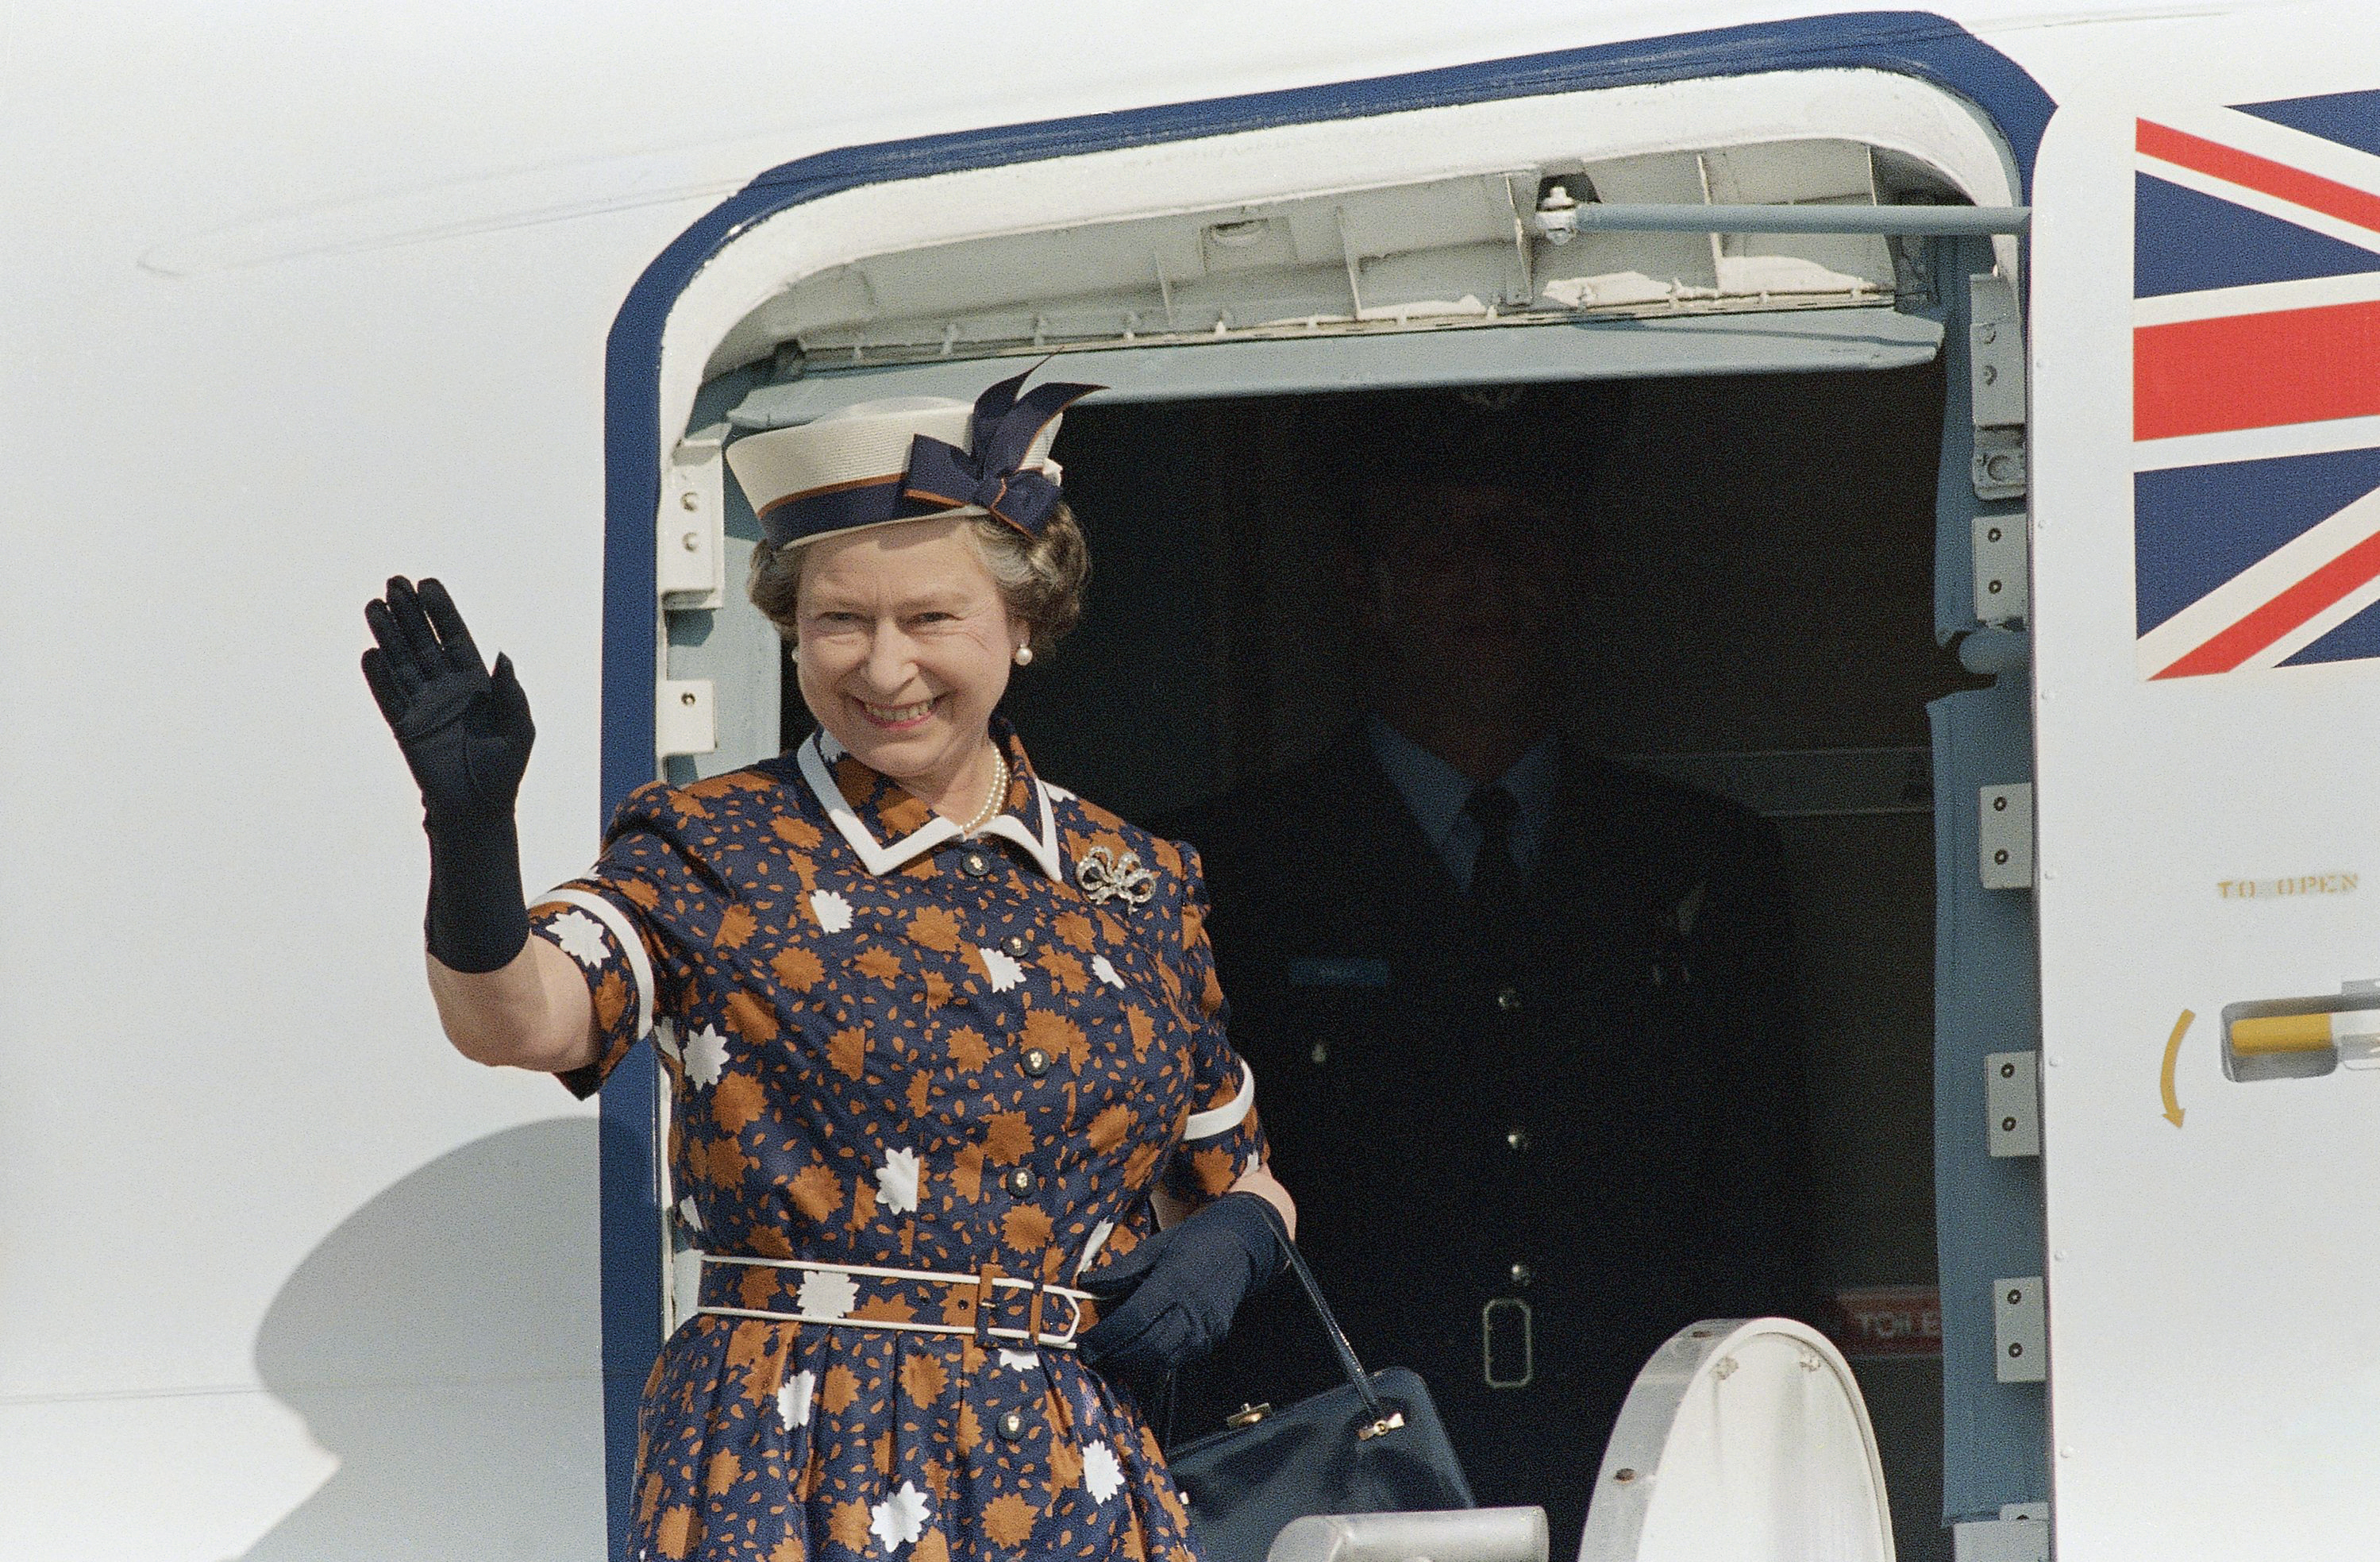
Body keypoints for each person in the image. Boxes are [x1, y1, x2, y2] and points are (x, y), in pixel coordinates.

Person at [363, 370, 1296, 1562]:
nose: (883, 667)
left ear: (1023, 621)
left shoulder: (1131, 878)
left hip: (1070, 1465)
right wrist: (471, 837)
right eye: (839, 623)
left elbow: (1235, 1172)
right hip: (794, 1452)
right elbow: (522, 1020)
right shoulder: (713, 845)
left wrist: (1239, 1239)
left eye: (929, 620)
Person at [1164, 388, 1817, 1548]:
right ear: (1361, 585)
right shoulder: (1225, 871)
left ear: (1578, 572)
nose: (1485, 577)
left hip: (1644, 1446)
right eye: (1435, 542)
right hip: (1347, 1457)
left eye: (1523, 538)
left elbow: (1758, 1205)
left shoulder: (1699, 857)